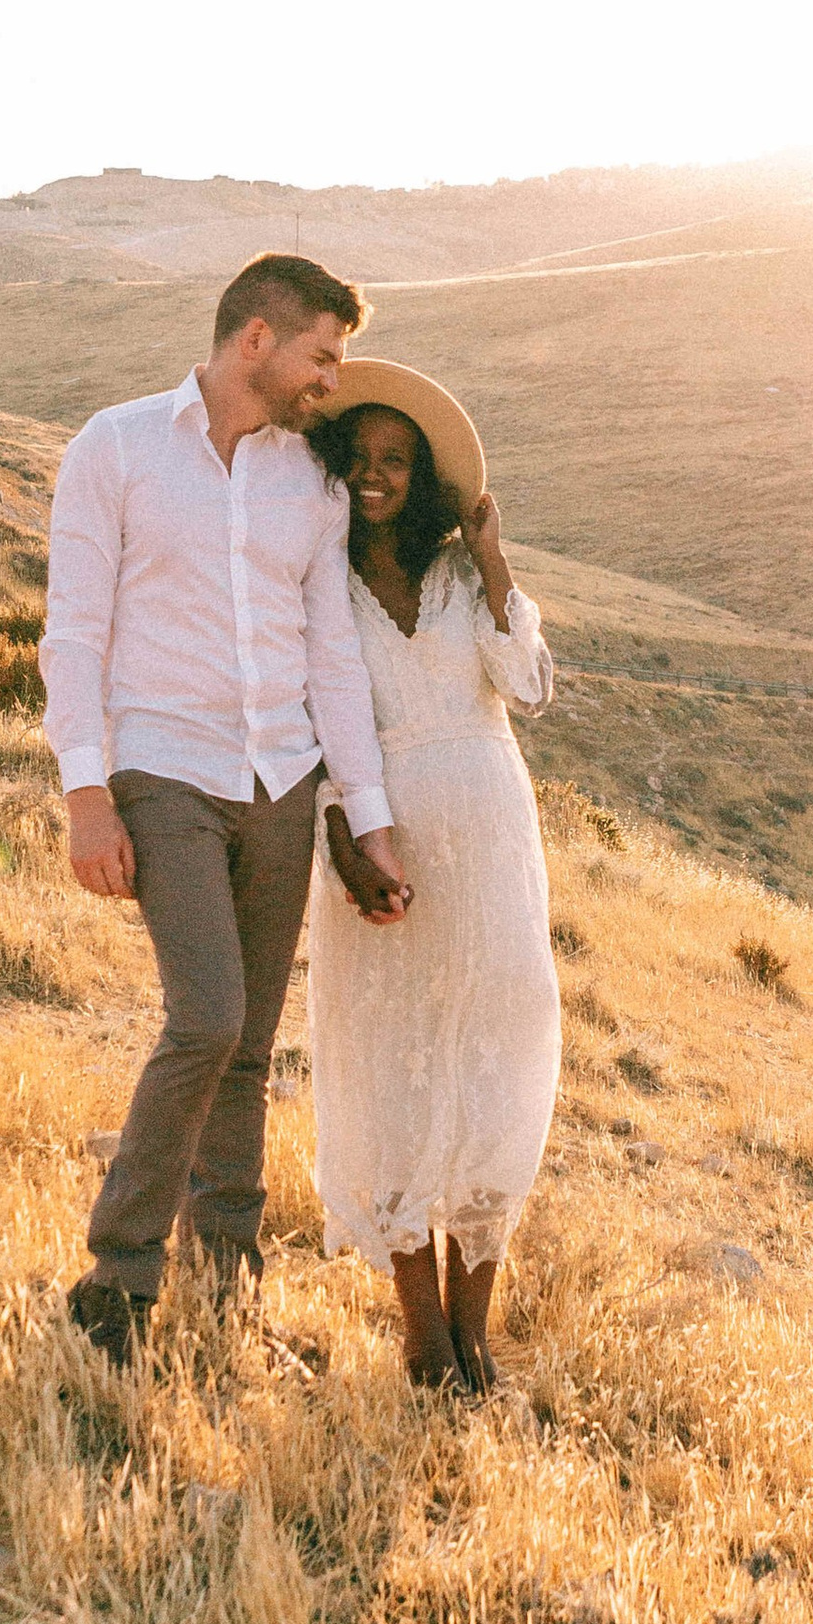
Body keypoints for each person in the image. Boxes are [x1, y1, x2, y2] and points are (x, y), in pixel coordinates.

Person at [39, 254, 412, 1364]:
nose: (328, 383)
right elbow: (73, 632)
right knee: (203, 1018)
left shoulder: (313, 478)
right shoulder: (113, 447)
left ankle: (226, 1279)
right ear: (257, 338)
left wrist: (367, 811)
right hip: (160, 768)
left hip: (281, 780)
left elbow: (331, 654)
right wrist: (85, 796)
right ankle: (117, 1279)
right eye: (321, 356)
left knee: (247, 1045)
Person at [304, 364, 559, 1392]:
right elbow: (312, 726)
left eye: (395, 462)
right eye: (358, 460)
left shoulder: (459, 577)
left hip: (493, 839)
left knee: (496, 1056)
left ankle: (475, 1327)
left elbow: (529, 686)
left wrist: (493, 558)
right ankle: (422, 1337)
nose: (375, 477)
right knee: (389, 1066)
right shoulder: (314, 579)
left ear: (424, 477)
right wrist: (342, 840)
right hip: (382, 836)